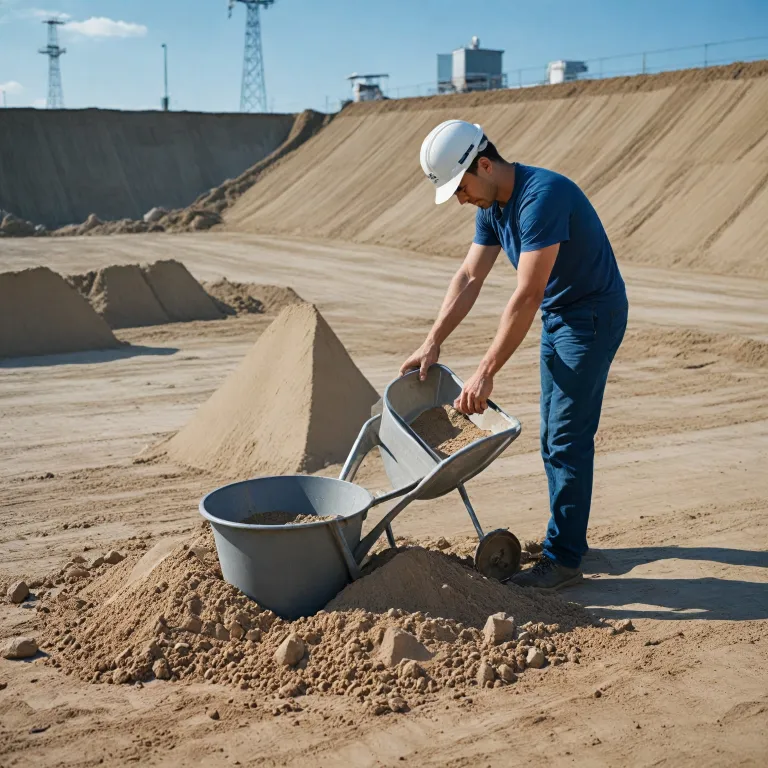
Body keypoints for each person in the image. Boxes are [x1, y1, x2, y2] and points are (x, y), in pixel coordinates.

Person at [401, 119, 628, 590]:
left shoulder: (540, 198)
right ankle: (567, 541)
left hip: (590, 318)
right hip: (560, 315)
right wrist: (432, 340)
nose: (461, 199)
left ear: (484, 165)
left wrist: (484, 371)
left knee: (566, 439)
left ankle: (563, 560)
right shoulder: (492, 204)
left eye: (461, 188)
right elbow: (468, 277)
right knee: (553, 439)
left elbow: (526, 295)